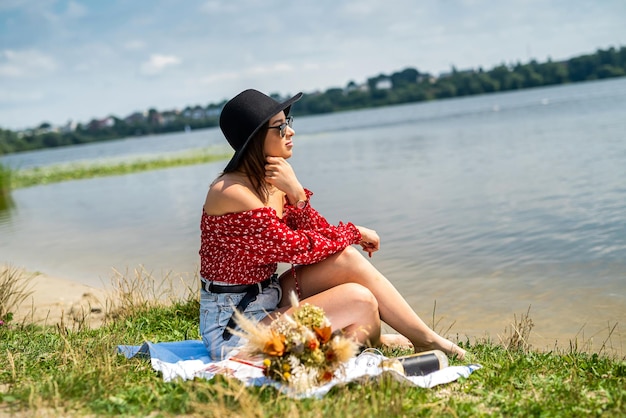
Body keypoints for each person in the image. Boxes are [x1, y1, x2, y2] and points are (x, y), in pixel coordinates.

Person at [199, 88, 467, 361]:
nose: (290, 133)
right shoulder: (230, 192)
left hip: (269, 297)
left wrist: (297, 196)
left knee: (347, 260)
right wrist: (353, 232)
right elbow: (298, 249)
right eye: (280, 127)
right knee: (361, 301)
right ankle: (384, 339)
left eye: (288, 124)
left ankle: (421, 338)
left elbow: (315, 234)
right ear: (256, 138)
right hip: (235, 326)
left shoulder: (272, 183)